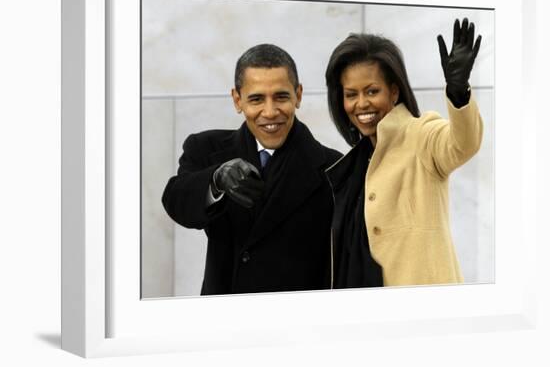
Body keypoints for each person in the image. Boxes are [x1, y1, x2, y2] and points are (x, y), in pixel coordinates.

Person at [162, 43, 342, 295]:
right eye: (256, 99)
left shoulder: (335, 167)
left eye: (281, 97)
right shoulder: (205, 148)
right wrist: (216, 180)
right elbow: (176, 202)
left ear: (298, 95)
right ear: (237, 100)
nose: (269, 112)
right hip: (226, 318)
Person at [324, 18, 483, 288]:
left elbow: (461, 144)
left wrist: (458, 91)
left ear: (394, 91)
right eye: (351, 94)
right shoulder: (354, 163)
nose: (361, 103)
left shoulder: (420, 135)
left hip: (424, 313)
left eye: (372, 91)